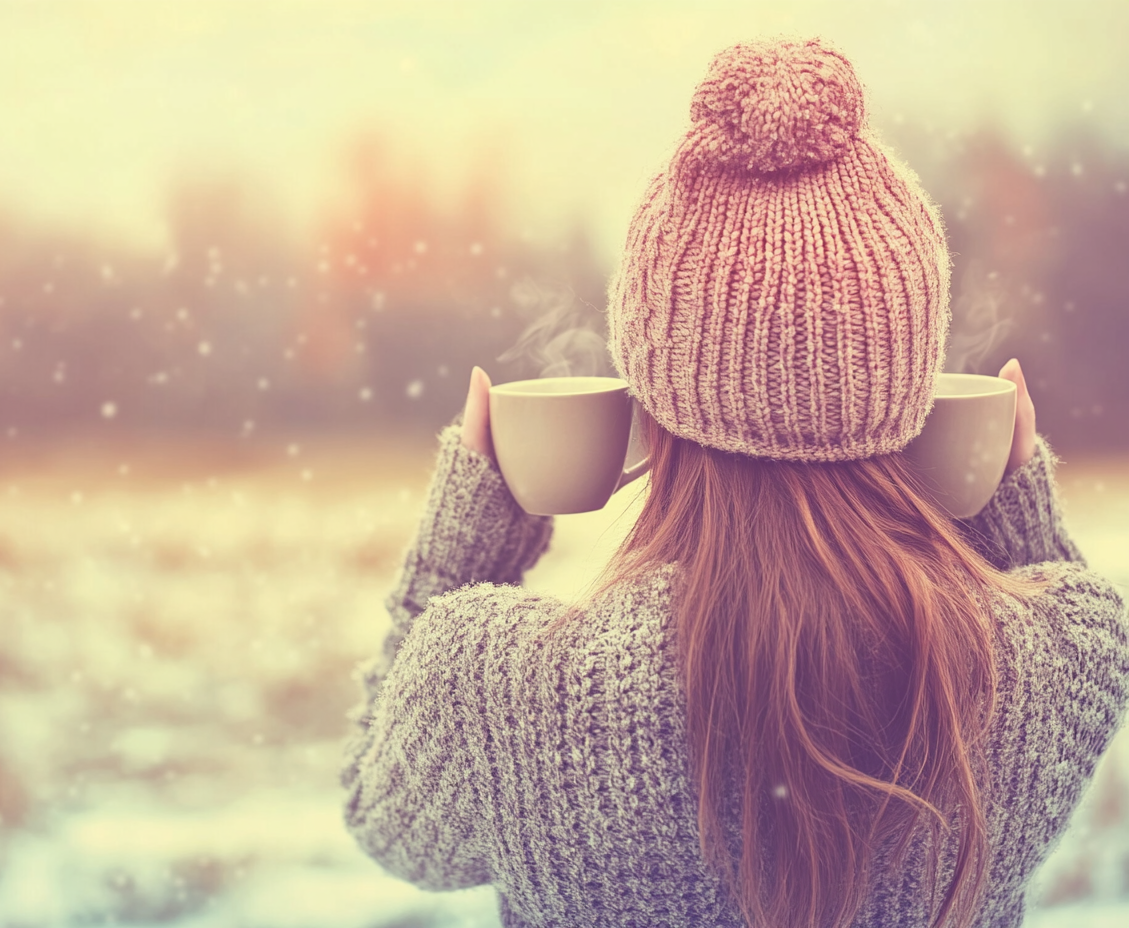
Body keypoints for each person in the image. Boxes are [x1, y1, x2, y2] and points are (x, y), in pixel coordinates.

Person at [341, 37, 1129, 928]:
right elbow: (1075, 640)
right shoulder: (1049, 665)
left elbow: (386, 823)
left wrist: (465, 541)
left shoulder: (493, 681)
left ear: (649, 395)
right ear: (913, 385)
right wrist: (1003, 487)